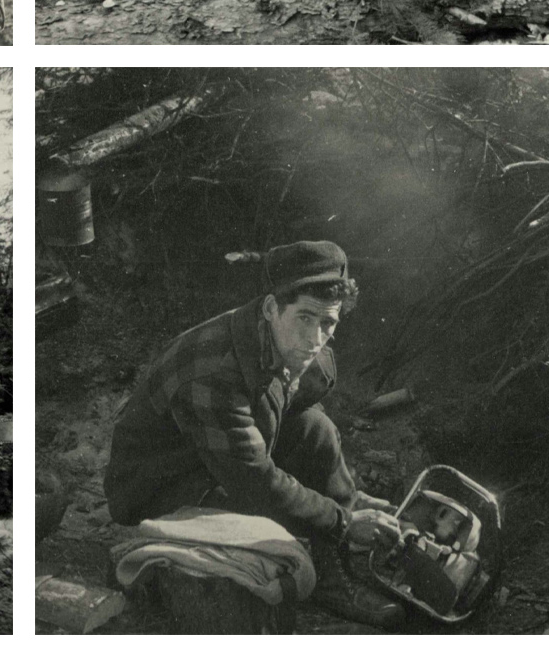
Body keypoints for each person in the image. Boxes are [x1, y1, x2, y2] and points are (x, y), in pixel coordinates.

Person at [104, 240, 406, 628]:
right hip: (159, 487)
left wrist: (345, 499)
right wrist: (342, 521)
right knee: (272, 533)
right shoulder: (212, 371)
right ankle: (328, 573)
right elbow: (253, 480)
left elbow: (301, 425)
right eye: (304, 318)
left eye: (327, 323)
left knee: (317, 428)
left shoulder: (289, 343)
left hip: (217, 456)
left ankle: (341, 544)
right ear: (270, 308)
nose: (314, 339)